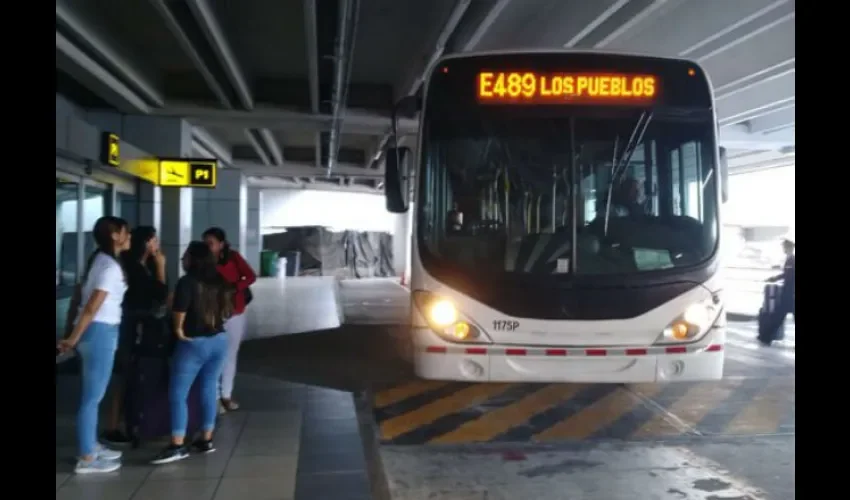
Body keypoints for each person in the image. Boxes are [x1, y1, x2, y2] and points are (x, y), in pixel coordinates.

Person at [58, 216, 131, 474]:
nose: (129, 235)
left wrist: (73, 334)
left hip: (97, 331)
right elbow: (91, 307)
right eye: (126, 231)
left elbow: (82, 300)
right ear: (115, 236)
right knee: (92, 398)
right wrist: (73, 338)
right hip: (99, 332)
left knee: (93, 395)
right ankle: (87, 457)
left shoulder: (100, 260)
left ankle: (91, 445)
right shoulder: (109, 267)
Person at [150, 242, 234, 464]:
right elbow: (229, 309)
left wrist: (178, 331)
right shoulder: (219, 280)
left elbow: (180, 311)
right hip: (219, 340)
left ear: (193, 260)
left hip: (193, 343)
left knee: (178, 394)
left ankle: (177, 444)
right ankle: (206, 440)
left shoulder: (187, 282)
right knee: (209, 388)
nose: (183, 260)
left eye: (185, 256)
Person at [102, 226, 169, 445]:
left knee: (129, 375)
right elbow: (160, 294)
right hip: (130, 328)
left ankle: (127, 422)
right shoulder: (134, 268)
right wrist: (161, 267)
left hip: (135, 327)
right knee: (124, 375)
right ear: (147, 243)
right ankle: (115, 426)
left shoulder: (140, 265)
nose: (157, 245)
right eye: (154, 240)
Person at [202, 227, 257, 412]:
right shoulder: (203, 261)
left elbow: (250, 276)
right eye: (205, 243)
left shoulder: (233, 257)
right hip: (213, 312)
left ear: (221, 244)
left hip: (235, 311)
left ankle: (226, 394)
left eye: (211, 243)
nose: (208, 247)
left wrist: (235, 287)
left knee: (230, 354)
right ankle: (215, 397)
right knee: (214, 355)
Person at [761, 238, 795, 345]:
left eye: (784, 247)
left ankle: (766, 338)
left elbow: (788, 276)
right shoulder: (789, 259)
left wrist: (774, 278)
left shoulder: (792, 260)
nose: (783, 249)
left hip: (790, 294)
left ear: (789, 248)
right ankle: (766, 337)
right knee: (778, 316)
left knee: (778, 316)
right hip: (789, 293)